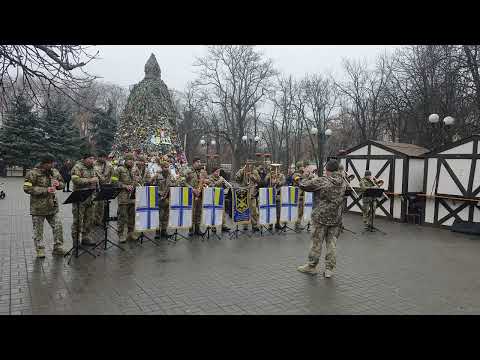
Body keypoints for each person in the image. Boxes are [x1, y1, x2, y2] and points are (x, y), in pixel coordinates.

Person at [297, 159, 346, 278]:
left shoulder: (323, 180)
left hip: (321, 218)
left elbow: (303, 185)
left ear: (328, 170)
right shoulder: (343, 181)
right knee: (332, 244)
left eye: (325, 170)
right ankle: (329, 269)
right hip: (336, 218)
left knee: (316, 243)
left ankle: (312, 266)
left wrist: (306, 175)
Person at [23, 154, 65, 258]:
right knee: (38, 231)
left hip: (52, 206)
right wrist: (45, 190)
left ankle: (58, 247)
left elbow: (62, 183)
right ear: (44, 164)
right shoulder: (32, 173)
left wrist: (58, 184)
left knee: (58, 226)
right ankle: (40, 250)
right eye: (50, 164)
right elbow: (26, 188)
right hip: (38, 208)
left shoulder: (54, 172)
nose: (52, 165)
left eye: (53, 163)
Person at [71, 152, 99, 246]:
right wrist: (90, 180)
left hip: (91, 198)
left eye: (93, 158)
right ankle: (75, 240)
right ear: (84, 159)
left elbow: (97, 179)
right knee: (78, 220)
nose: (92, 160)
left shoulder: (93, 168)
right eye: (90, 158)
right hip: (80, 198)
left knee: (89, 219)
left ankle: (85, 237)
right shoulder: (77, 167)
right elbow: (75, 180)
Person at [111, 153, 140, 243]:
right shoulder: (119, 169)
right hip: (123, 197)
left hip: (133, 196)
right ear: (125, 160)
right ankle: (121, 234)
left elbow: (138, 180)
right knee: (122, 216)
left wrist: (137, 181)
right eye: (129, 160)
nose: (131, 161)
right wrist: (124, 185)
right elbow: (113, 181)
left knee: (132, 216)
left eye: (132, 160)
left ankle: (130, 233)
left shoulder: (134, 170)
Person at [151, 159, 176, 238]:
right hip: (159, 198)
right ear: (161, 167)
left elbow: (175, 183)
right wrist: (159, 192)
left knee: (166, 215)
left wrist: (173, 184)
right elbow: (152, 185)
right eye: (165, 167)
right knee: (159, 216)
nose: (166, 168)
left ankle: (164, 230)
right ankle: (157, 231)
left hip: (168, 198)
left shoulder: (170, 176)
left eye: (167, 167)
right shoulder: (157, 176)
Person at [235, 160, 261, 231]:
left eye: (251, 164)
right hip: (244, 193)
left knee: (253, 210)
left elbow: (258, 180)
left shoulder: (255, 171)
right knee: (244, 209)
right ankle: (245, 224)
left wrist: (251, 176)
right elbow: (236, 178)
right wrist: (242, 172)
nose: (249, 166)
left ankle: (254, 225)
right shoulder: (241, 170)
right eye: (248, 164)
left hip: (252, 193)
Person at [185, 157, 205, 236]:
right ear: (194, 163)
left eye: (200, 162)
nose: (199, 163)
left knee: (198, 212)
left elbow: (203, 181)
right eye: (198, 162)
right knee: (191, 212)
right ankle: (191, 229)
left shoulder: (200, 172)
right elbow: (182, 181)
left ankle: (197, 229)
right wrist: (192, 189)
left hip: (199, 194)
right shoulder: (188, 171)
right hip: (191, 194)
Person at [93, 151, 114, 226]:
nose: (102, 159)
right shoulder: (93, 164)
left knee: (102, 205)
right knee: (94, 205)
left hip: (105, 187)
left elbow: (113, 175)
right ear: (98, 157)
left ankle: (99, 220)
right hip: (95, 187)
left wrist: (110, 183)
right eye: (101, 157)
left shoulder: (109, 165)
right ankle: (93, 220)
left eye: (104, 157)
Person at [209, 166, 232, 232]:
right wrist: (220, 181)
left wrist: (226, 184)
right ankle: (213, 226)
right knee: (214, 211)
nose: (218, 173)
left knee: (222, 211)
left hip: (221, 196)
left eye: (219, 171)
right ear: (213, 172)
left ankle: (223, 225)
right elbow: (212, 185)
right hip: (214, 196)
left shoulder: (220, 178)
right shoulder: (210, 178)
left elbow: (226, 186)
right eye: (216, 172)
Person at [264, 164, 285, 230]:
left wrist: (277, 181)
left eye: (277, 168)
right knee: (271, 210)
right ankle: (270, 225)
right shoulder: (269, 174)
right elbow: (265, 182)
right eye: (274, 168)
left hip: (278, 194)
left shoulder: (281, 175)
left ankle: (277, 224)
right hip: (270, 194)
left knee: (278, 210)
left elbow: (283, 182)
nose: (276, 169)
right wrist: (269, 177)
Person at [292, 161, 306, 231]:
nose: (303, 167)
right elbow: (300, 182)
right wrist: (306, 177)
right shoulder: (295, 174)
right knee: (299, 211)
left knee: (302, 211)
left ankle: (298, 223)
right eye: (302, 166)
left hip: (303, 195)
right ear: (299, 167)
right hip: (298, 195)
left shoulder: (301, 174)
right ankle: (297, 225)